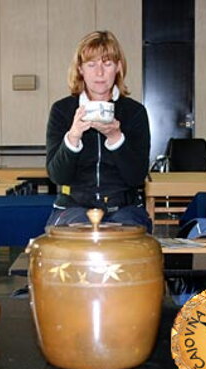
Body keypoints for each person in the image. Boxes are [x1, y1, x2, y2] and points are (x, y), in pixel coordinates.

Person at [45, 30, 152, 233]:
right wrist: (73, 137)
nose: (99, 73)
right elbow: (58, 176)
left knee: (124, 244)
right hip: (73, 206)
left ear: (119, 67)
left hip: (124, 207)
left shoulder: (134, 112)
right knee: (76, 240)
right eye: (91, 65)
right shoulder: (62, 110)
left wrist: (115, 138)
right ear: (80, 69)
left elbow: (136, 177)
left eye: (107, 64)